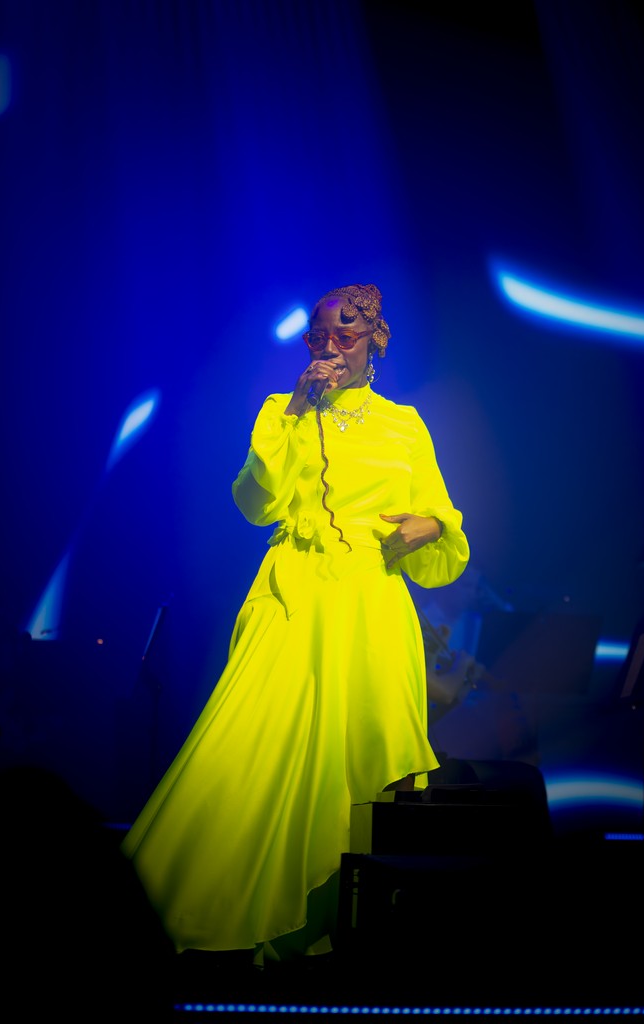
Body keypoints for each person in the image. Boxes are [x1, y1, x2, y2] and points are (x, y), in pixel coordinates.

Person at [121, 282, 469, 967]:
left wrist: (431, 526)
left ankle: (337, 938)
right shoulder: (281, 411)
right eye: (318, 337)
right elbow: (255, 502)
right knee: (248, 749)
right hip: (294, 594)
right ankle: (197, 912)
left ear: (374, 342)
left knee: (364, 766)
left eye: (346, 335)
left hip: (371, 602)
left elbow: (443, 526)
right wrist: (296, 409)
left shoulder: (404, 424)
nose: (330, 348)